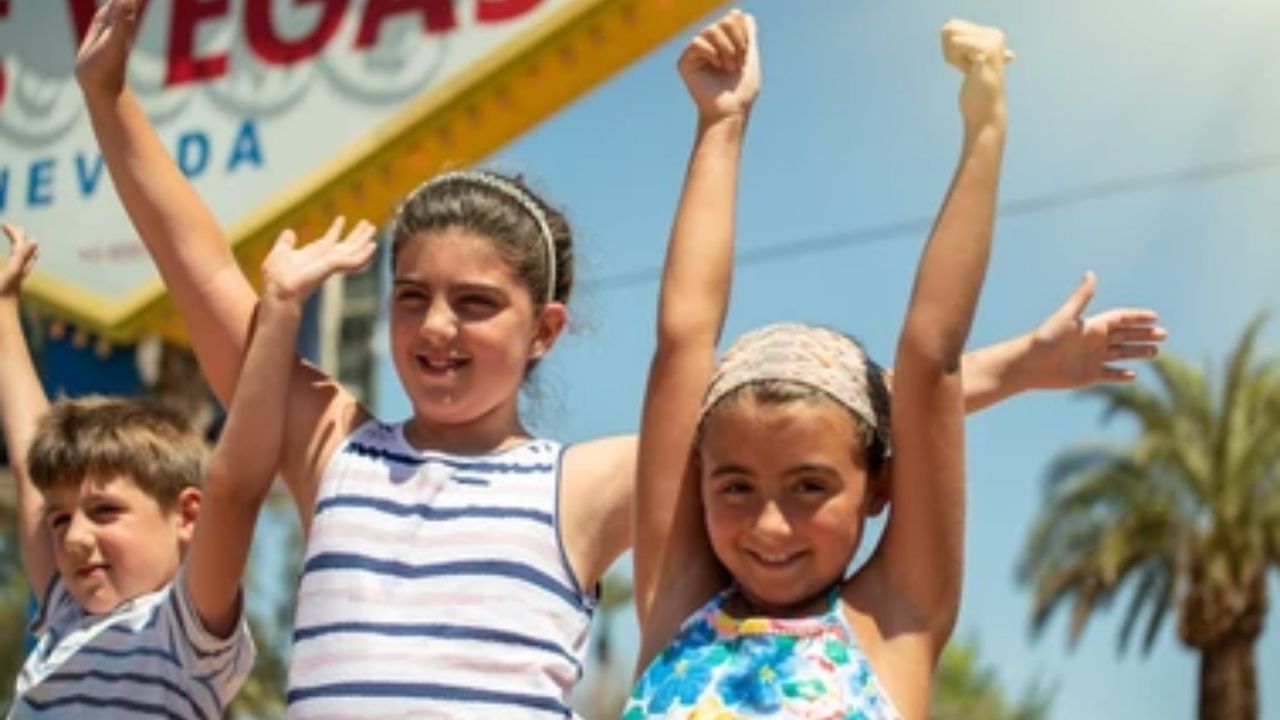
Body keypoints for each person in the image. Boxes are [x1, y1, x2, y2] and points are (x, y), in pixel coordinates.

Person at [74, 1, 1162, 716]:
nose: (437, 328)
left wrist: (1009, 366)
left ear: (544, 329)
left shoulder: (579, 487)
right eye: (411, 298)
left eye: (476, 303)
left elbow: (799, 407)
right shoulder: (334, 452)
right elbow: (207, 280)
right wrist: (111, 104)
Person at [628, 14, 1027, 718]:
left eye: (809, 487)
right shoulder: (678, 602)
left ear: (880, 487)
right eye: (735, 486)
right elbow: (684, 339)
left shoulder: (893, 624)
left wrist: (985, 127)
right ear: (699, 479)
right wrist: (722, 121)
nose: (769, 525)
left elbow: (931, 355)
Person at [0, 224, 257, 718]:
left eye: (104, 511)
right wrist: (5, 310)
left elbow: (235, 487)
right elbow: (29, 466)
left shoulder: (183, 628)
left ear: (188, 516)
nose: (74, 537)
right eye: (60, 520)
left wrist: (279, 317)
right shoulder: (67, 615)